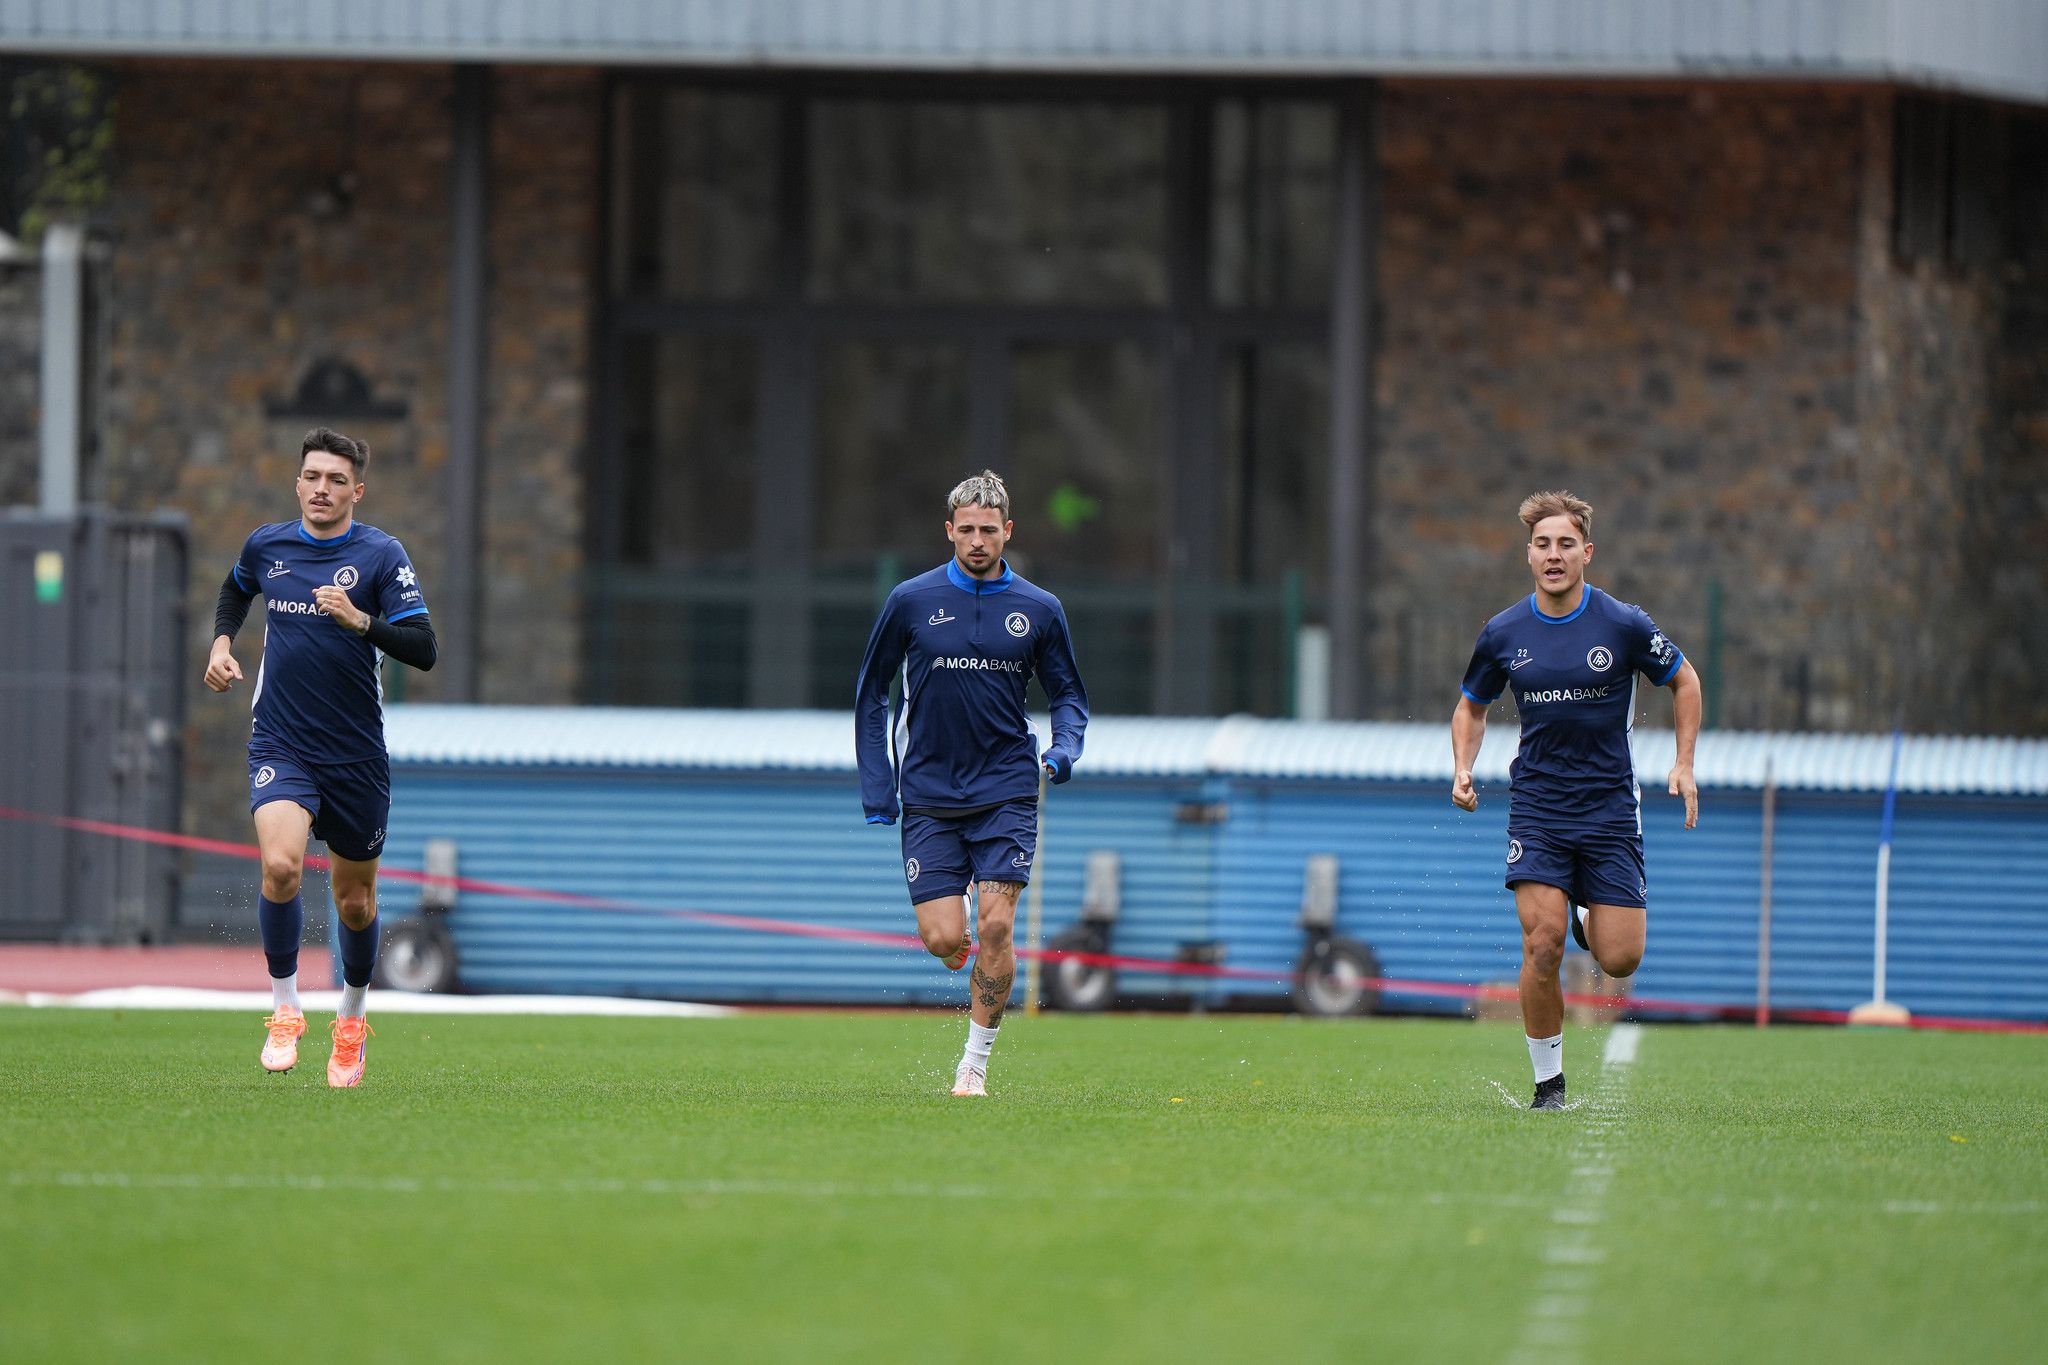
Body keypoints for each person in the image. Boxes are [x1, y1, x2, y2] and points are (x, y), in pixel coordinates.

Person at [1450, 490, 1701, 1110]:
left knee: (1619, 959)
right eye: (1543, 545)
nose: (1554, 555)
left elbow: (1686, 680)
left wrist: (1685, 764)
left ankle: (1594, 922)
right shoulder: (1503, 632)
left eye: (1566, 544)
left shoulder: (1622, 623)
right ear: (1528, 555)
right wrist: (1462, 768)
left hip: (1611, 809)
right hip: (1538, 808)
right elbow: (1470, 707)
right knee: (1542, 944)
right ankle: (1548, 1085)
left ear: (1586, 553)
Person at [204, 428, 438, 1087]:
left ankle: (353, 1019)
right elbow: (235, 587)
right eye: (312, 476)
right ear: (298, 482)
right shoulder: (268, 544)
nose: (321, 488)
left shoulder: (381, 556)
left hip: (356, 756)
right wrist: (222, 643)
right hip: (282, 742)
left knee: (355, 900)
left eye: (336, 480)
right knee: (280, 866)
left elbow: (424, 646)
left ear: (356, 490)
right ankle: (284, 1009)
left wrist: (362, 622)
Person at [855, 471, 1088, 1098]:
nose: (979, 540)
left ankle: (974, 1063)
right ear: (949, 531)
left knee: (995, 928)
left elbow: (1068, 695)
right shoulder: (910, 600)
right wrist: (879, 788)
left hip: (1007, 788)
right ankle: (963, 955)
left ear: (1007, 531)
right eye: (968, 530)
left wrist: (1066, 749)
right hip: (929, 794)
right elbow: (872, 694)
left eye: (990, 530)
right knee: (944, 938)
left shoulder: (1039, 609)